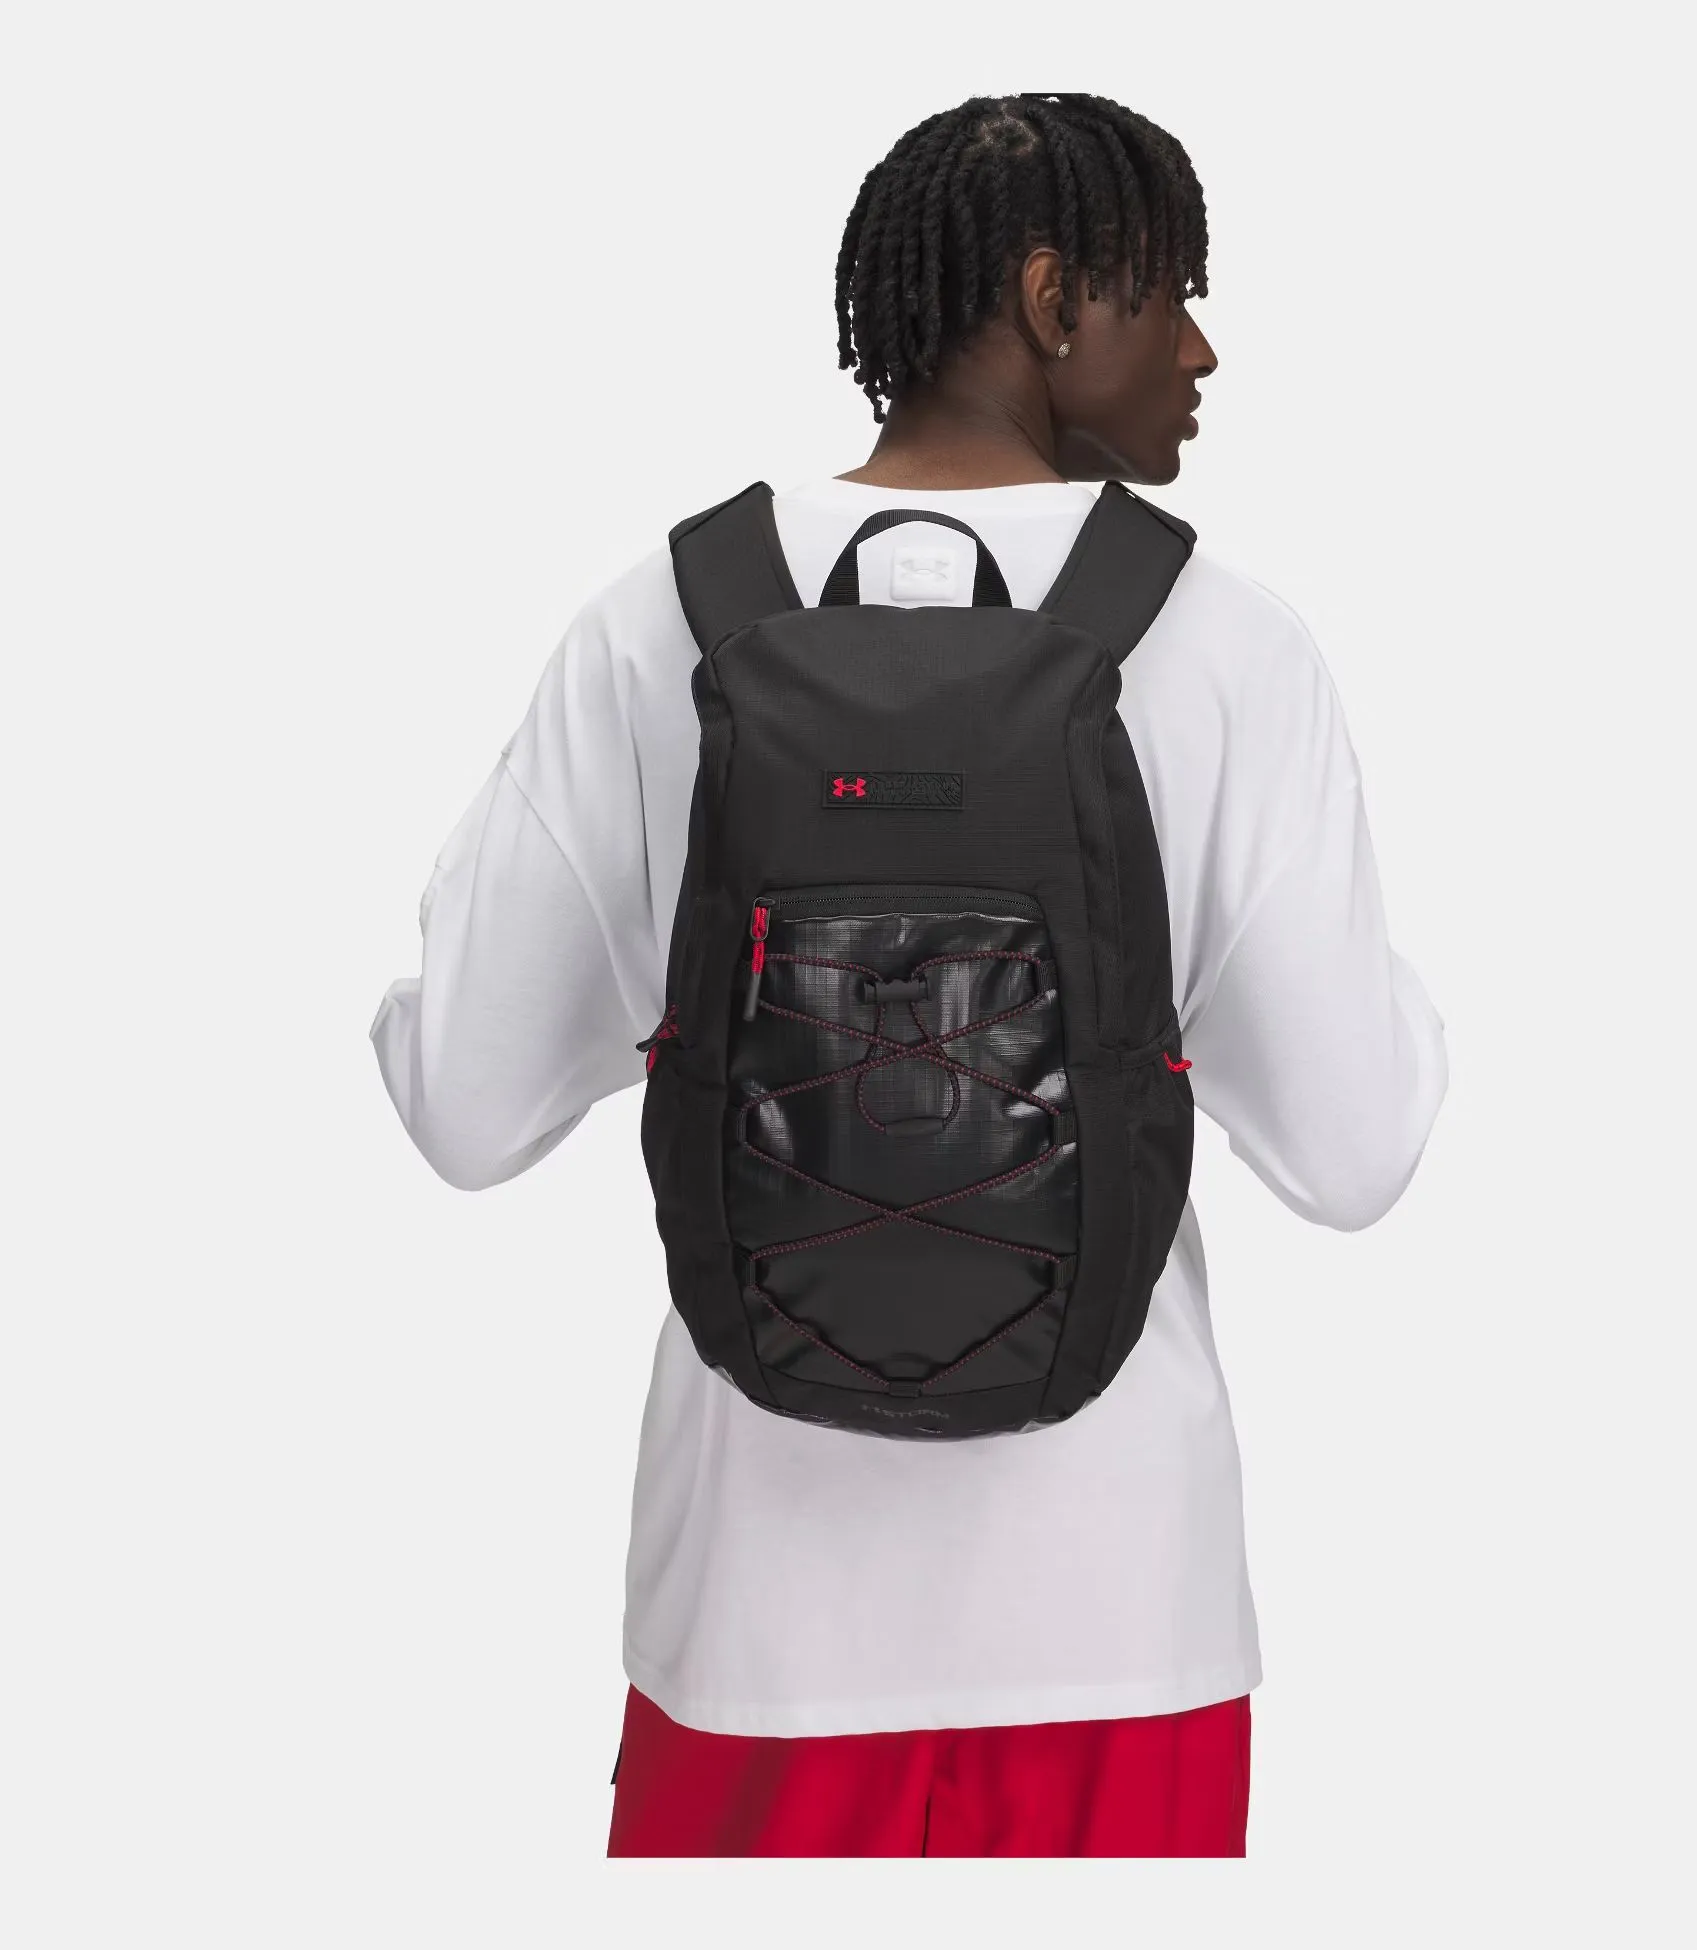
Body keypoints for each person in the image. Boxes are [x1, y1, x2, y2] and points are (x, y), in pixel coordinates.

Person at [371, 92, 1448, 1857]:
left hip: (752, 1631)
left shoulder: (662, 620)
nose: (1200, 348)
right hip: (1123, 1621)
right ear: (1049, 300)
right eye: (1167, 293)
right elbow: (1356, 1150)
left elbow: (460, 1106)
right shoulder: (1227, 645)